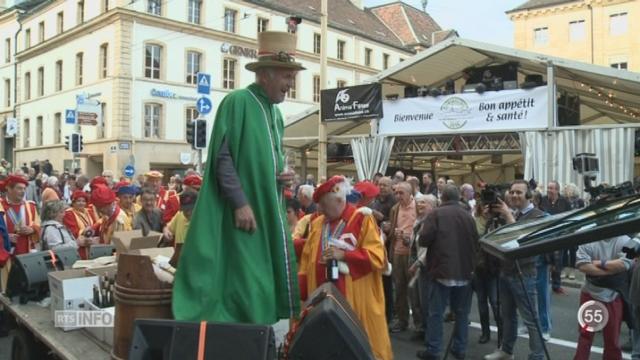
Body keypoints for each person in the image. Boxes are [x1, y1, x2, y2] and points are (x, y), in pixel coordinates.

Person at [173, 31, 304, 325]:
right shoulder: (238, 101)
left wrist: (282, 176)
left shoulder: (277, 115)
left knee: (261, 282)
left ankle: (259, 339)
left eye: (292, 78)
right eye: (287, 77)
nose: (290, 84)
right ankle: (241, 342)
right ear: (266, 75)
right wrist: (240, 203)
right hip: (244, 214)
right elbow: (222, 157)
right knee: (248, 283)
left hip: (268, 212)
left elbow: (265, 162)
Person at [298, 176, 392, 360]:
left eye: (324, 205)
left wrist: (345, 256)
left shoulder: (362, 220)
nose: (321, 210)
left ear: (340, 199)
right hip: (320, 296)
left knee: (354, 346)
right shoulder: (318, 223)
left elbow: (378, 257)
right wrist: (302, 292)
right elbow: (307, 259)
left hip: (355, 300)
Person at [484, 180, 546, 360]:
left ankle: (537, 355)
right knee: (507, 315)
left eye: (519, 192)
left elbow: (523, 240)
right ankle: (506, 351)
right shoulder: (512, 214)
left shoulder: (538, 216)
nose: (514, 196)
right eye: (511, 192)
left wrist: (507, 216)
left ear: (529, 195)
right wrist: (491, 218)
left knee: (531, 319)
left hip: (524, 272)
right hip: (505, 269)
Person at [416, 185, 478, 360]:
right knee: (461, 313)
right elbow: (476, 242)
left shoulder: (435, 214)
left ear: (442, 198)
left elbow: (425, 240)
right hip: (464, 271)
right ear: (458, 197)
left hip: (441, 270)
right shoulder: (468, 216)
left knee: (436, 313)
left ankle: (433, 350)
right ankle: (460, 348)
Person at [573, 235, 633, 360]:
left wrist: (598, 264)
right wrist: (609, 272)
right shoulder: (590, 238)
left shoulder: (624, 240)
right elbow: (582, 265)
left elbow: (625, 264)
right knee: (586, 336)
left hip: (611, 296)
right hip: (592, 295)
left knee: (611, 341)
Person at [387, 182, 418, 333]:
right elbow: (392, 230)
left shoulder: (418, 206)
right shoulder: (395, 208)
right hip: (398, 253)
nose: (398, 196)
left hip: (413, 254)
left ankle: (419, 325)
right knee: (399, 289)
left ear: (409, 192)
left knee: (414, 291)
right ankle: (402, 320)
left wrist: (409, 238)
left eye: (401, 193)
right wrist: (390, 230)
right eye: (396, 193)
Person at [408, 193, 437, 342]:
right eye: (418, 203)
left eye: (423, 203)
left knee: (426, 302)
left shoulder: (432, 222)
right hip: (415, 263)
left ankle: (429, 333)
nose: (419, 206)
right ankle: (421, 329)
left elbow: (431, 247)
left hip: (425, 266)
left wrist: (419, 262)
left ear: (432, 206)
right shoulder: (419, 220)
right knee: (416, 300)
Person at [540, 180, 573, 296]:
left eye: (551, 188)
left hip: (558, 236)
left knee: (557, 262)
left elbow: (570, 217)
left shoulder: (565, 202)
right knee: (544, 261)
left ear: (557, 190)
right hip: (544, 236)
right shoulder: (543, 200)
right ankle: (543, 283)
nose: (549, 190)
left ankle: (556, 285)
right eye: (548, 188)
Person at [370, 176, 396, 323]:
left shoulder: (394, 202)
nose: (382, 187)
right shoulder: (375, 200)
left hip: (389, 245)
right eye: (380, 185)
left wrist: (383, 218)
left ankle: (389, 315)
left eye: (385, 185)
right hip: (376, 244)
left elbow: (393, 222)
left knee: (387, 281)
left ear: (391, 187)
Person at [1, 175, 41, 255]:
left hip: (27, 253)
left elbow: (38, 225)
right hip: (5, 254)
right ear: (8, 189)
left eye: (24, 189)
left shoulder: (30, 206)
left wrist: (32, 229)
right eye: (19, 188)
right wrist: (5, 237)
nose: (23, 191)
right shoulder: (0, 206)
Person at [164, 191, 197, 268]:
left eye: (191, 209)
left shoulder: (204, 221)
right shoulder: (180, 215)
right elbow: (167, 228)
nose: (188, 213)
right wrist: (166, 232)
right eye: (185, 210)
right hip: (179, 263)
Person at [63, 190, 98, 259]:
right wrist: (85, 231)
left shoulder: (89, 211)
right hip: (80, 246)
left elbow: (95, 225)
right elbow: (71, 230)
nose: (81, 203)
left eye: (83, 201)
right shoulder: (69, 213)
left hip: (92, 244)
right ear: (73, 202)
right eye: (78, 201)